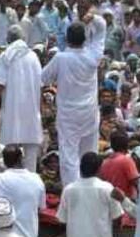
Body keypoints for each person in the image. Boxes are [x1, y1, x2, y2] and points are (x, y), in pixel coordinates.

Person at [41, 18, 106, 187]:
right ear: (85, 40)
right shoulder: (93, 56)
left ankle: (72, 191)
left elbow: (43, 78)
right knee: (90, 153)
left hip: (69, 115)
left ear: (67, 39)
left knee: (69, 156)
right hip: (89, 113)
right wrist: (92, 16)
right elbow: (101, 30)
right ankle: (92, 187)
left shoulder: (61, 58)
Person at [58, 152, 123, 237]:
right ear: (99, 169)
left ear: (80, 168)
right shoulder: (107, 188)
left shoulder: (69, 190)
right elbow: (117, 217)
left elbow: (62, 220)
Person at [0, 25, 43, 171]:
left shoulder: (6, 56)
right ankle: (31, 178)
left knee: (10, 147)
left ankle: (10, 177)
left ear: (8, 39)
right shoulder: (33, 56)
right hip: (31, 109)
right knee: (31, 150)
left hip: (12, 108)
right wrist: (39, 108)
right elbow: (41, 85)